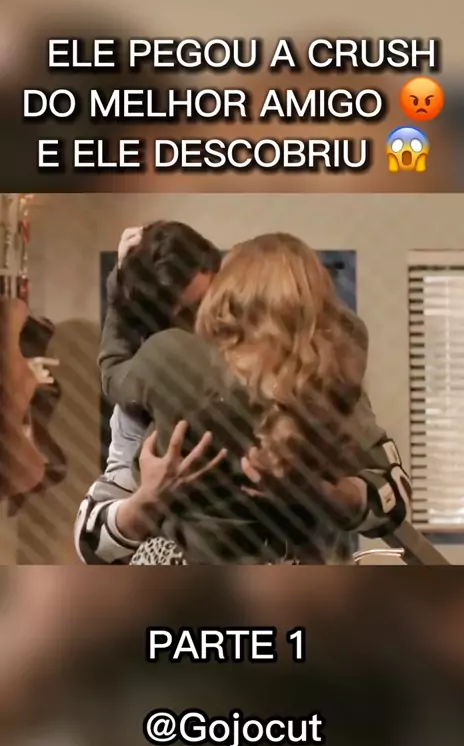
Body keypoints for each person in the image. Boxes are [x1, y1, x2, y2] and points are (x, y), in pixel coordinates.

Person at [79, 232, 411, 565]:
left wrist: (323, 494)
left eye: (205, 302)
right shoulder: (159, 380)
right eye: (179, 318)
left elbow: (392, 496)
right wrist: (148, 500)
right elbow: (91, 542)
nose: (200, 322)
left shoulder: (320, 382)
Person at [74, 220, 222, 564]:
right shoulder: (147, 395)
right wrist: (149, 497)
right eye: (190, 313)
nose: (208, 319)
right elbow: (91, 545)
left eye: (213, 299)